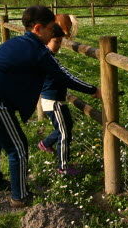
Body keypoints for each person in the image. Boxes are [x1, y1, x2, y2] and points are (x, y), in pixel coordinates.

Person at [0, 6, 101, 207]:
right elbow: (62, 77)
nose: (54, 32)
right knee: (17, 148)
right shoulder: (38, 51)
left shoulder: (13, 43)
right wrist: (93, 90)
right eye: (51, 28)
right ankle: (20, 197)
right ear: (37, 28)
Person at [37, 15, 92, 176]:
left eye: (60, 42)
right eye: (56, 42)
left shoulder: (47, 56)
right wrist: (93, 90)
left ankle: (45, 144)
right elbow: (67, 78)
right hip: (53, 102)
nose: (59, 45)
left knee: (65, 126)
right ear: (47, 40)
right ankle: (63, 167)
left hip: (55, 100)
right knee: (64, 133)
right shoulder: (47, 58)